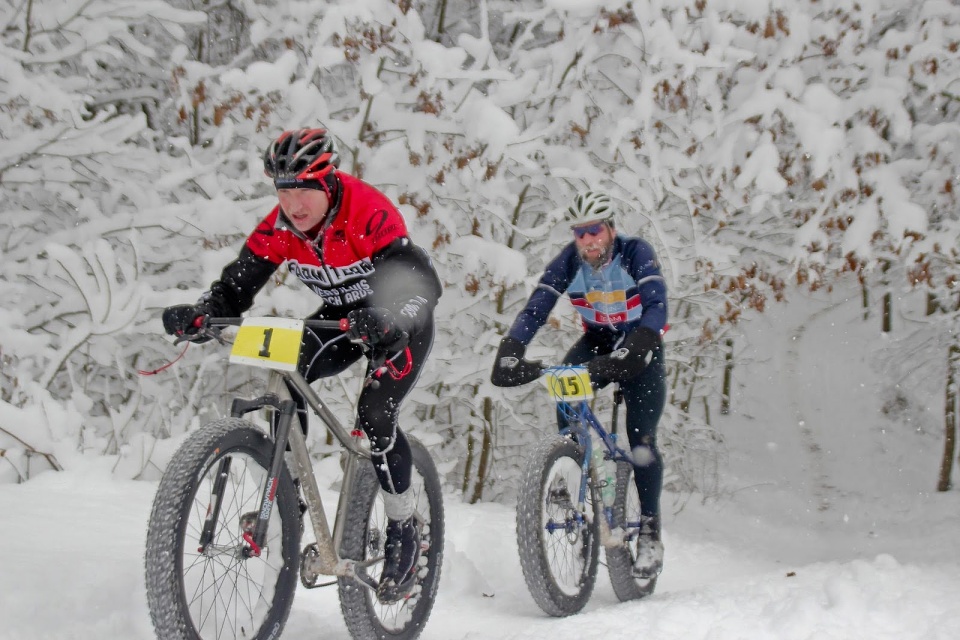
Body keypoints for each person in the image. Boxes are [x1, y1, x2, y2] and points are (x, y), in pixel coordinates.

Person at [161, 128, 442, 603]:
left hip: (399, 318)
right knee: (286, 373)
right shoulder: (280, 226)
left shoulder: (367, 211)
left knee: (375, 415)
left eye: (303, 189)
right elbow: (238, 283)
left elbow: (423, 283)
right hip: (342, 320)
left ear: (328, 182)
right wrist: (204, 311)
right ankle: (285, 492)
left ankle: (403, 528)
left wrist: (391, 320)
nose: (293, 203)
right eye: (283, 190)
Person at [490, 190, 668, 579]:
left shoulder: (635, 252)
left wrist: (640, 344)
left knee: (641, 439)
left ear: (610, 229)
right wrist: (512, 347)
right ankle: (570, 477)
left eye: (594, 230)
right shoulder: (570, 261)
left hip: (641, 344)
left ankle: (651, 531)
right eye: (580, 233)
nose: (587, 240)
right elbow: (537, 306)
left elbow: (656, 303)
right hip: (600, 341)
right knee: (565, 384)